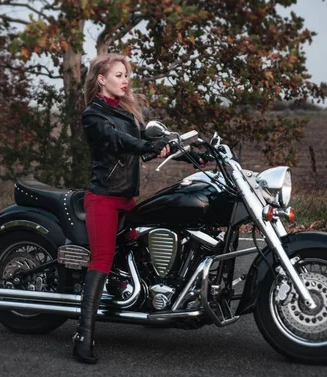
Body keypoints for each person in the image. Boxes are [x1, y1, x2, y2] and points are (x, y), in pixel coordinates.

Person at [73, 53, 207, 364]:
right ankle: (83, 334)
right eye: (118, 74)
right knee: (103, 258)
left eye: (126, 75)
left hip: (126, 198)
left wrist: (194, 156)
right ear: (101, 79)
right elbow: (118, 142)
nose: (125, 80)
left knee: (140, 246)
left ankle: (153, 303)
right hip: (104, 199)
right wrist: (143, 146)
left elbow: (150, 142)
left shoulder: (127, 114)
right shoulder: (94, 116)